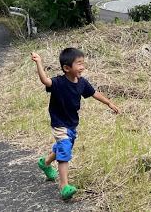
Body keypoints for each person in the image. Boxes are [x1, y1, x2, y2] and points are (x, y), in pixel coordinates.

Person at [31, 48, 120, 200]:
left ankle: (45, 162)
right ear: (67, 68)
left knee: (65, 146)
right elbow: (45, 81)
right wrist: (39, 62)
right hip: (59, 122)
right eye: (78, 64)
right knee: (65, 149)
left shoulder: (82, 83)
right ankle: (64, 186)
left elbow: (93, 93)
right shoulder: (59, 82)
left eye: (82, 63)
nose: (82, 67)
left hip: (72, 123)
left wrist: (109, 103)